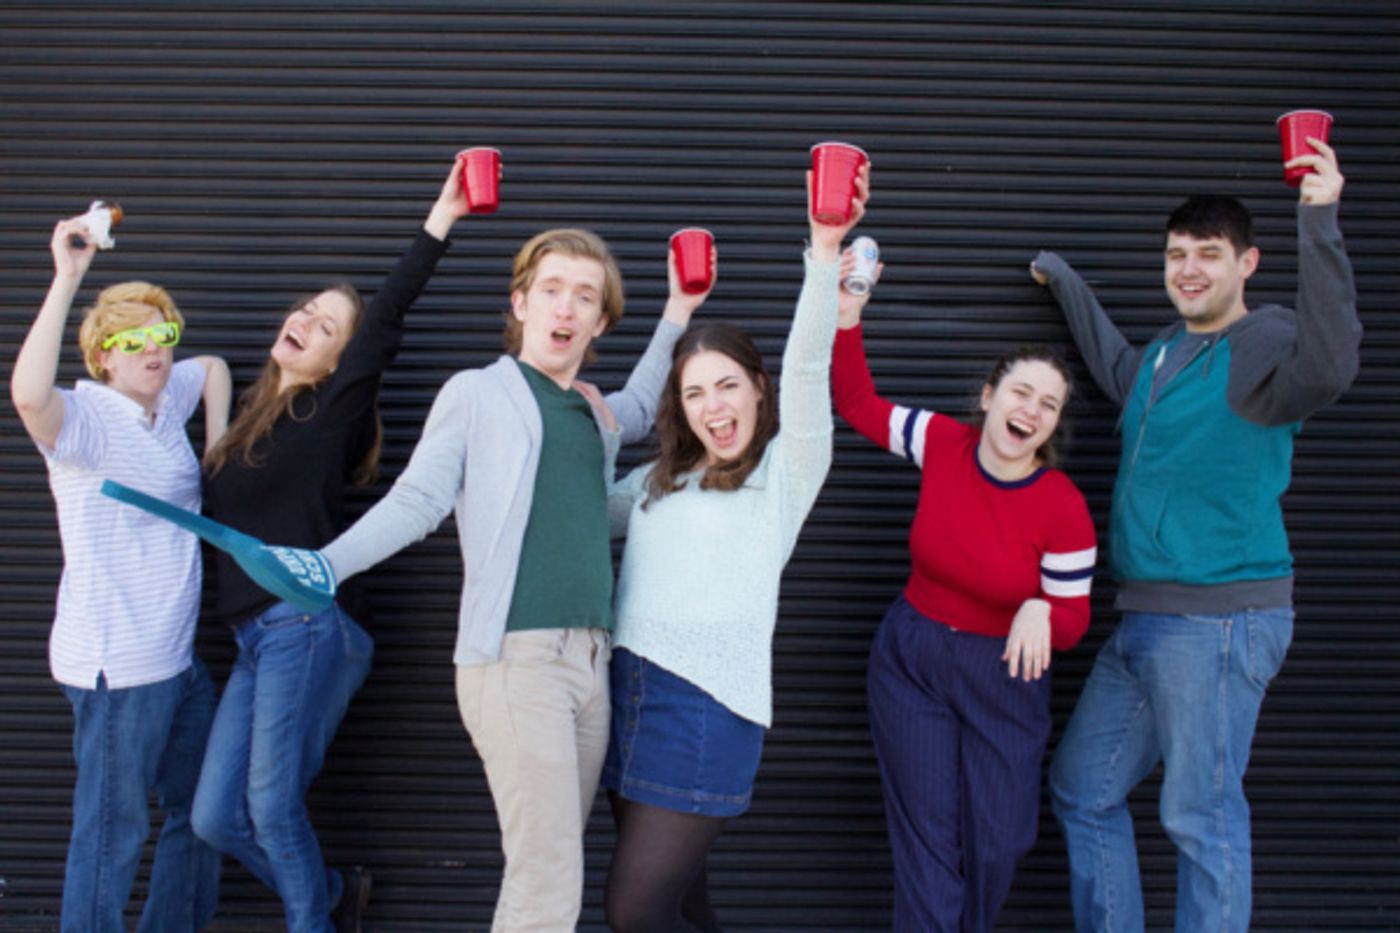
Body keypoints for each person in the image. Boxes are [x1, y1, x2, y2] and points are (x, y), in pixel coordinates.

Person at [317, 220, 709, 932]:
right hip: (518, 658)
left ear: (599, 321)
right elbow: (417, 498)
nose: (566, 307)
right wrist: (326, 564)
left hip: (589, 665)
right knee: (548, 877)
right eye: (551, 289)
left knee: (549, 866)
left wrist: (679, 311)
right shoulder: (478, 394)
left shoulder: (590, 413)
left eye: (584, 297)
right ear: (520, 302)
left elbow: (645, 403)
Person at [1031, 138, 1360, 932]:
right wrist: (1064, 280)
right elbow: (1114, 367)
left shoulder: (1265, 345)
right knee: (1083, 787)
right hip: (1146, 618)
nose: (1188, 269)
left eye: (1208, 255)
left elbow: (1331, 364)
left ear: (1246, 264)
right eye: (1177, 254)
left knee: (1202, 821)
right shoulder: (1168, 355)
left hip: (1217, 621)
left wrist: (1319, 217)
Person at [189, 158, 478, 932]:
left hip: (307, 622)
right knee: (216, 818)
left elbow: (383, 318)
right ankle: (330, 894)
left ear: (334, 360)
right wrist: (217, 396)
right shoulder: (249, 431)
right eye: (307, 309)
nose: (308, 321)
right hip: (253, 636)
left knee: (270, 803)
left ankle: (313, 920)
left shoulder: (330, 413)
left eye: (327, 326)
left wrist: (440, 219)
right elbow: (212, 430)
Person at [600, 164, 870, 933]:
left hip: (707, 708)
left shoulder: (788, 472)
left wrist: (825, 248)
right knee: (687, 903)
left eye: (727, 386)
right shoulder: (660, 478)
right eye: (694, 393)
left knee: (633, 911)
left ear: (758, 388)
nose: (713, 407)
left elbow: (811, 361)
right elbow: (582, 509)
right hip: (629, 695)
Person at [831, 254, 1097, 930]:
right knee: (927, 842)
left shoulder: (1062, 507)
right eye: (1019, 392)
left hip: (1002, 676)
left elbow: (1070, 621)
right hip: (913, 658)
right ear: (988, 397)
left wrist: (1041, 605)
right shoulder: (944, 443)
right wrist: (847, 316)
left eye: (1048, 403)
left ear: (1053, 424)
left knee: (998, 842)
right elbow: (858, 404)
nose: (1030, 410)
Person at [11, 211, 231, 931]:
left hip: (176, 664)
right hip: (116, 674)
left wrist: (218, 449)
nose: (153, 349)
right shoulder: (89, 420)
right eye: (131, 340)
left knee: (202, 817)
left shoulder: (166, 398)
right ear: (104, 356)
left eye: (161, 333)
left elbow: (218, 369)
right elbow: (27, 396)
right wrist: (67, 276)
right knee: (109, 841)